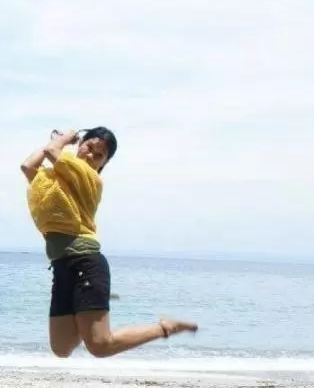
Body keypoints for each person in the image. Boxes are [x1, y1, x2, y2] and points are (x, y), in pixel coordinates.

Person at [21, 127, 198, 358]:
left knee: (100, 346)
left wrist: (63, 138)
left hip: (84, 262)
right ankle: (89, 300)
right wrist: (56, 143)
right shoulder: (56, 178)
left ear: (104, 162)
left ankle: (165, 327)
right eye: (89, 146)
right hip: (62, 266)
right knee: (61, 348)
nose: (91, 154)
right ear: (81, 144)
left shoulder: (90, 178)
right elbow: (28, 166)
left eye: (99, 155)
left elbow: (51, 150)